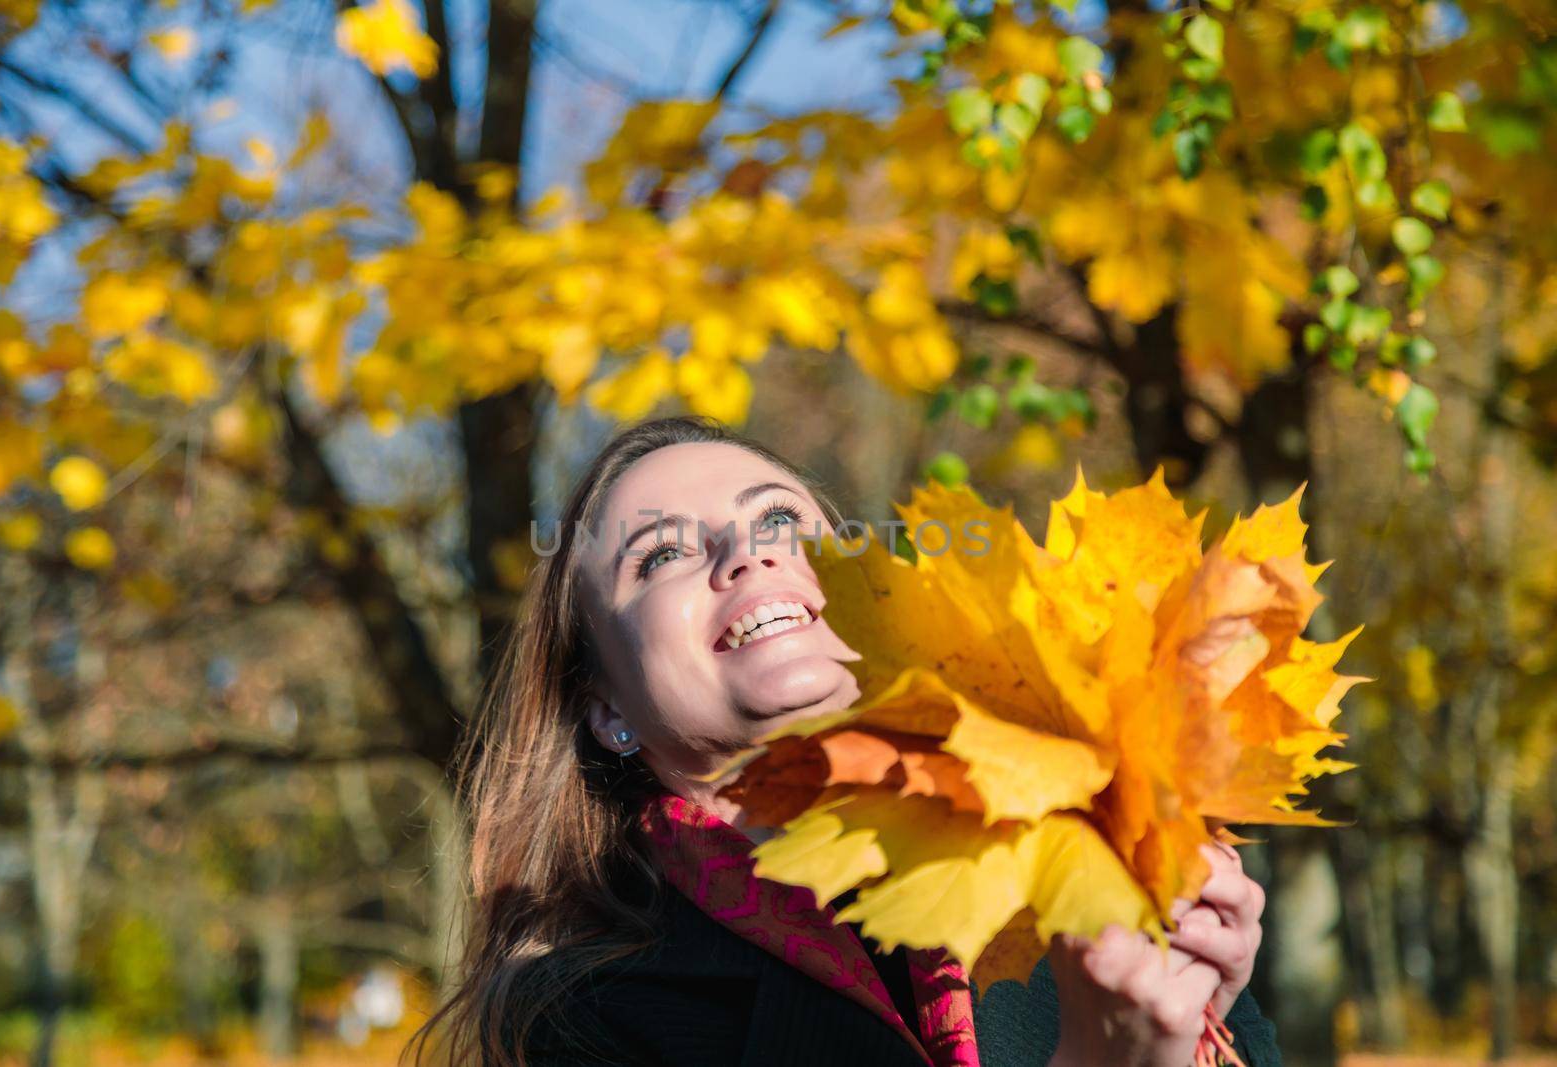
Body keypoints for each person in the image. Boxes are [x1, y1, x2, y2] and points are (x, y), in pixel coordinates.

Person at [410, 416, 1280, 1067]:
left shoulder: (1071, 863)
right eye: (662, 553)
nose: (745, 554)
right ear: (605, 709)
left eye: (781, 521)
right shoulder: (575, 1015)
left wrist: (1205, 1026)